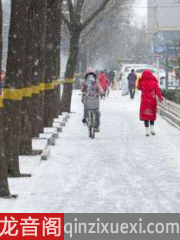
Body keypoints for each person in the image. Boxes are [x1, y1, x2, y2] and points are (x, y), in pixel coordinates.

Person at [138, 70, 163, 137]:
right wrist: (160, 98)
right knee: (151, 115)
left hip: (144, 101)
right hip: (152, 101)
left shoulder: (142, 82)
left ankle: (147, 132)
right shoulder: (154, 82)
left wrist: (140, 80)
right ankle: (152, 130)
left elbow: (139, 88)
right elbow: (158, 91)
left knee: (146, 116)